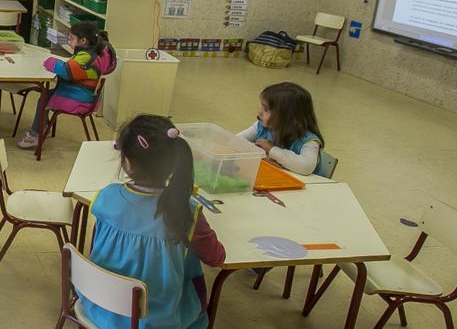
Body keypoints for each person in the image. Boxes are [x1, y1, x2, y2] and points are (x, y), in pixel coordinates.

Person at [80, 115, 225, 328]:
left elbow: (98, 245)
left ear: (128, 163)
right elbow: (216, 258)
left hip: (99, 306)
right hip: (157, 321)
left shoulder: (105, 197)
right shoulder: (187, 212)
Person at [17, 21, 116, 149]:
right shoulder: (96, 53)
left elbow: (67, 72)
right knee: (45, 95)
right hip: (86, 96)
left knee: (43, 98)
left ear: (83, 41)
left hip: (78, 99)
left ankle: (35, 134)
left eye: (71, 38)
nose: (69, 41)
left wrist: (50, 62)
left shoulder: (85, 56)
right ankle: (42, 127)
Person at [237, 82, 327, 176]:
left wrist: (271, 149)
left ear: (289, 118)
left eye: (266, 109)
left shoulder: (309, 142)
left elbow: (305, 167)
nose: (260, 112)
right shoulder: (263, 126)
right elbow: (236, 140)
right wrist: (263, 154)